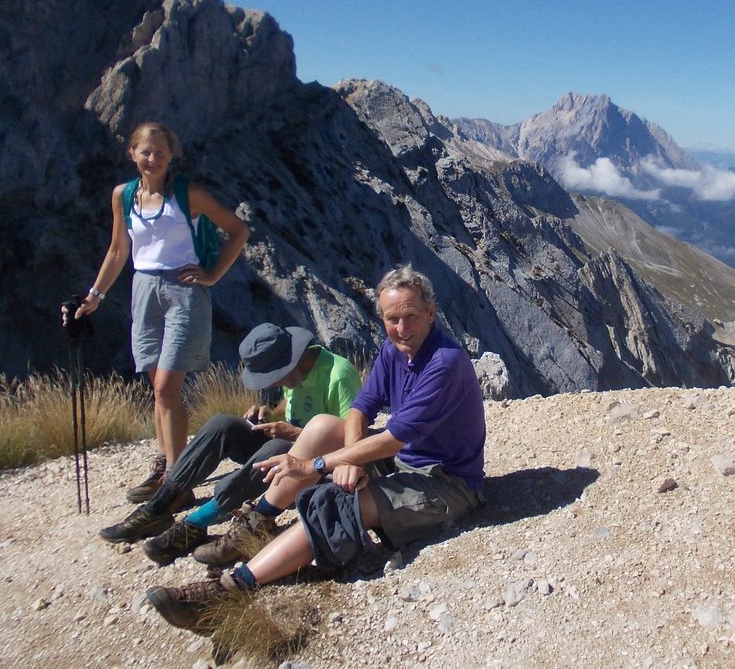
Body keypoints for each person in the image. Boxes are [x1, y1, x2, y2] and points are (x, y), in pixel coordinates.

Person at [144, 265, 487, 634]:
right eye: (392, 319)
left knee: (335, 504)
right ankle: (257, 523)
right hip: (404, 460)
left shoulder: (445, 363)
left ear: (431, 313)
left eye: (411, 317)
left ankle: (228, 590)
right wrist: (351, 459)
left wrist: (317, 465)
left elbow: (395, 437)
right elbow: (361, 407)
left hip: (448, 483)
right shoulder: (394, 350)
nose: (402, 329)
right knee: (324, 424)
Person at [74, 121, 250, 502]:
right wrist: (95, 295)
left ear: (172, 156)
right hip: (143, 289)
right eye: (145, 152)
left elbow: (238, 230)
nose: (152, 159)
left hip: (184, 292)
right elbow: (119, 250)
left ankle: (176, 480)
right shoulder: (123, 196)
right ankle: (167, 465)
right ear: (132, 153)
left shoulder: (189, 194)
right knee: (159, 390)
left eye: (160, 152)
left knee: (166, 387)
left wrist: (212, 275)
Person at [97, 323, 362, 566]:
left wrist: (294, 434)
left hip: (314, 466)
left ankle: (197, 523)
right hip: (289, 444)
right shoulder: (296, 373)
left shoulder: (338, 375)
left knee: (275, 450)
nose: (271, 382)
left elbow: (348, 437)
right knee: (222, 424)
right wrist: (269, 414)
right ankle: (161, 504)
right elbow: (291, 405)